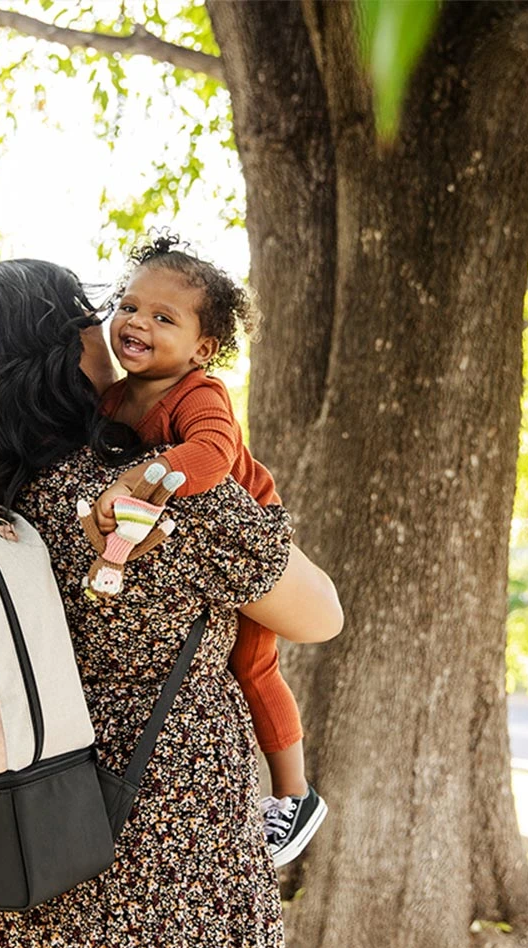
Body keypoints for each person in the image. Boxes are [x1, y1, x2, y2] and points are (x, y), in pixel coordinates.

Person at [0, 258, 344, 948]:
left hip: (2, 842)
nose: (112, 323)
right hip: (158, 843)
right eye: (95, 308)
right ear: (57, 345)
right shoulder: (147, 488)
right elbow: (320, 614)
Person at [90, 235, 324, 867]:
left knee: (252, 666)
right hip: (161, 539)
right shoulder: (112, 398)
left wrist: (140, 479)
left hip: (255, 528)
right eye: (129, 305)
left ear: (203, 348)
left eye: (164, 318)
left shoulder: (200, 394)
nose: (137, 322)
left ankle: (294, 793)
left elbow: (211, 459)